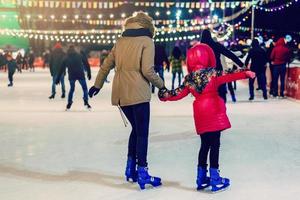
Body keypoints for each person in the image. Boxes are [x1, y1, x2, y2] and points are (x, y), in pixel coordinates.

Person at [159, 43, 255, 192]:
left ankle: (201, 178)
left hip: (200, 112)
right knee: (215, 144)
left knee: (204, 145)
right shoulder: (213, 73)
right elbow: (229, 75)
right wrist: (246, 73)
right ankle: (215, 178)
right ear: (208, 56)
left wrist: (165, 95)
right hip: (213, 109)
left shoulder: (189, 79)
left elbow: (177, 94)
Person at [89, 12, 164, 190]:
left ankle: (130, 169)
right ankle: (143, 172)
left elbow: (106, 64)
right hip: (138, 93)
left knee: (136, 130)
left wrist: (97, 85)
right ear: (148, 26)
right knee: (142, 133)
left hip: (121, 94)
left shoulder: (120, 41)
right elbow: (147, 70)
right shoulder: (147, 41)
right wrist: (161, 85)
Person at [201, 29, 244, 103]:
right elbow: (229, 54)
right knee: (221, 92)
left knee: (207, 95)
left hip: (205, 73)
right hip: (218, 71)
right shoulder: (216, 45)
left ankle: (210, 110)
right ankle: (221, 108)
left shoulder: (199, 48)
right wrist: (241, 64)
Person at [56, 45, 91, 110]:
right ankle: (86, 100)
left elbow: (61, 68)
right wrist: (89, 73)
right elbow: (86, 63)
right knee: (85, 88)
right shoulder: (79, 55)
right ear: (74, 49)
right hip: (80, 74)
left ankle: (69, 102)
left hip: (72, 75)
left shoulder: (66, 57)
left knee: (72, 89)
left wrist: (58, 78)